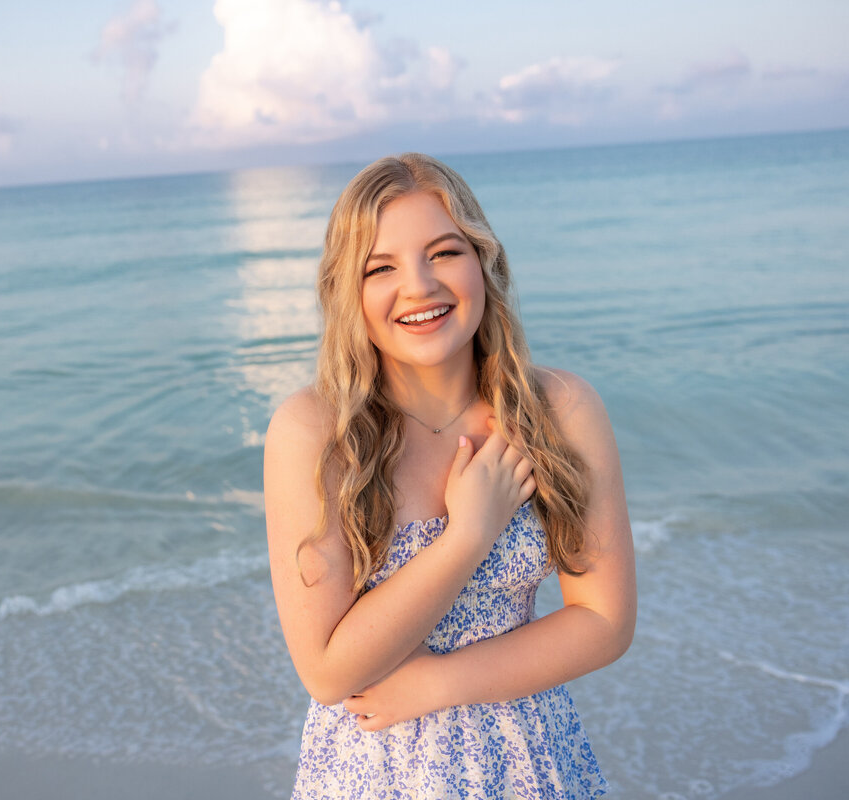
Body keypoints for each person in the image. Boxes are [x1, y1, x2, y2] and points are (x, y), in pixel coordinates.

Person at [264, 153, 636, 799]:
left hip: (527, 758)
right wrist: (468, 536)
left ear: (483, 261)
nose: (419, 287)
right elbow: (326, 672)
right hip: (373, 771)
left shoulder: (562, 411)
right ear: (348, 290)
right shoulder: (315, 433)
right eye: (380, 267)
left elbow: (604, 621)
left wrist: (440, 683)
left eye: (443, 252)